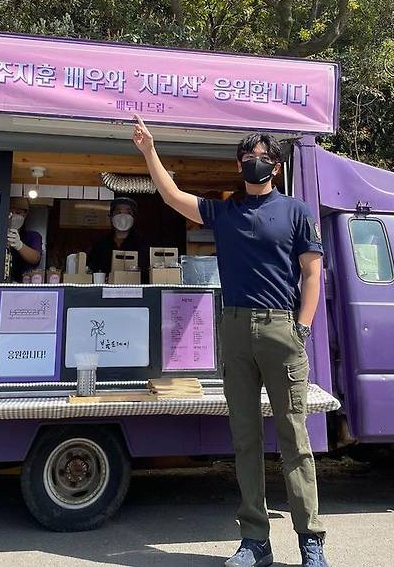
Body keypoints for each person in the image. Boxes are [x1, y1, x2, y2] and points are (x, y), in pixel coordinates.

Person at [132, 114, 328, 567]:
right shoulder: (225, 210)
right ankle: (255, 541)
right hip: (235, 329)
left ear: (275, 166)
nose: (252, 164)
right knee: (245, 439)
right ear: (239, 165)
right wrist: (149, 151)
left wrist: (302, 327)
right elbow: (172, 195)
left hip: (282, 329)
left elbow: (313, 272)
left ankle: (310, 540)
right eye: (246, 158)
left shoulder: (296, 212)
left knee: (294, 438)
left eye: (260, 158)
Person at [87, 197, 149, 276]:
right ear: (111, 217)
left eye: (128, 212)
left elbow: (147, 271)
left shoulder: (143, 244)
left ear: (134, 218)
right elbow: (91, 269)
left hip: (133, 287)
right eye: (118, 212)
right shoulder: (100, 244)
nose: (123, 216)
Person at [8, 198, 43, 282]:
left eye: (18, 213)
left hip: (24, 284)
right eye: (10, 213)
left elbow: (36, 258)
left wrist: (19, 245)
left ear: (25, 214)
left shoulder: (32, 236)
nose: (14, 216)